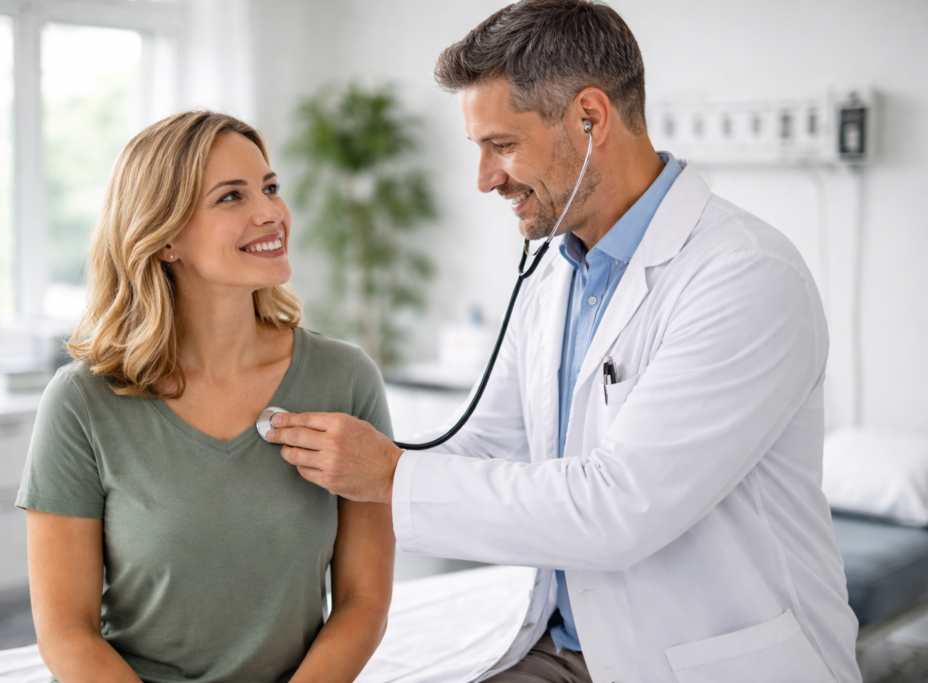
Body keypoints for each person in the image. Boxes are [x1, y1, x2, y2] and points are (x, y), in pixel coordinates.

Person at [266, 2, 862, 682]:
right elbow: (491, 444)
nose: (485, 178)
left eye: (502, 145)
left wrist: (391, 475)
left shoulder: (747, 276)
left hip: (709, 659)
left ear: (590, 117)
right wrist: (336, 466)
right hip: (571, 646)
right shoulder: (557, 269)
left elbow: (620, 507)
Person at [16, 111, 394, 683]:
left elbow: (363, 601)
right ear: (165, 237)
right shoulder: (81, 402)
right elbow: (65, 632)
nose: (270, 213)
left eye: (269, 188)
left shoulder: (345, 379)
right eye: (230, 197)